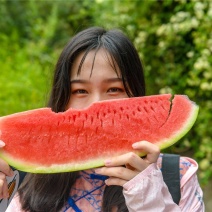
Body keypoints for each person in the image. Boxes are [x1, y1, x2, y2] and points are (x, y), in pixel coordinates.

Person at [0, 27, 204, 211]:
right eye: (80, 90)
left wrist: (150, 202)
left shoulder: (179, 176)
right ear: (62, 100)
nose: (97, 106)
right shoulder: (25, 185)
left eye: (114, 89)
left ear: (137, 95)